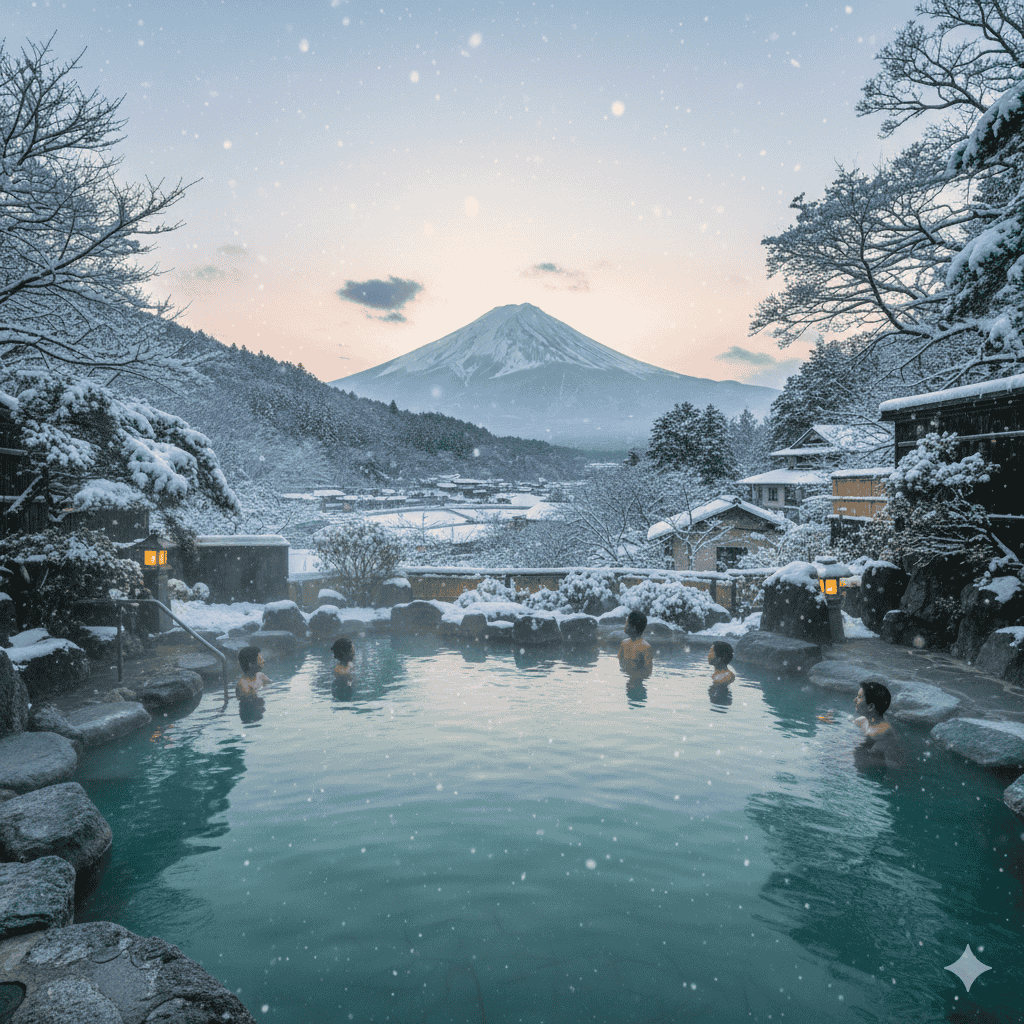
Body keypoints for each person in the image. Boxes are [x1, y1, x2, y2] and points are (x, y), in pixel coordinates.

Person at [852, 680, 905, 768]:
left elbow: (896, 765)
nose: (855, 700)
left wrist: (864, 758)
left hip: (872, 777)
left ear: (871, 707)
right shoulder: (861, 721)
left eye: (859, 697)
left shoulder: (885, 733)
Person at [618, 610, 653, 677]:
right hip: (627, 676)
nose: (624, 626)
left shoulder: (645, 647)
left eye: (626, 624)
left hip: (639, 680)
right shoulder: (624, 643)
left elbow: (648, 670)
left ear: (633, 628)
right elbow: (620, 661)